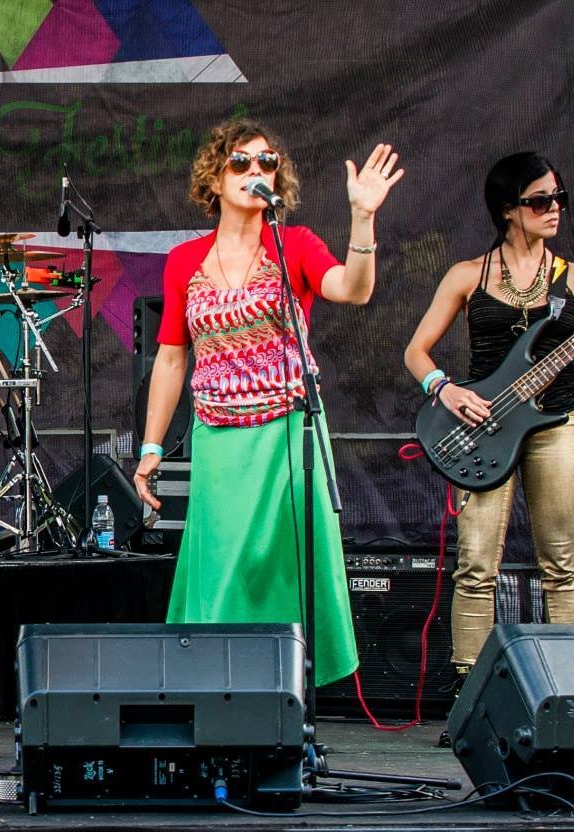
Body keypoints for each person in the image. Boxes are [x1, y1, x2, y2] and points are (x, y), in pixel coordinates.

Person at [131, 119, 402, 686]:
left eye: (267, 162)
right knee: (225, 568)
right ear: (213, 179)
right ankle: (218, 685)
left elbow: (352, 289)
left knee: (282, 571)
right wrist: (152, 445)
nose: (255, 170)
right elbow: (172, 358)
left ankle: (283, 689)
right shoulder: (184, 260)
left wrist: (363, 218)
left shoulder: (293, 243)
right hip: (219, 439)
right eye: (241, 161)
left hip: (288, 433)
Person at [402, 151, 574, 684]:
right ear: (508, 209)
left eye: (559, 197)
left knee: (561, 562)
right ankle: (470, 686)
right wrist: (445, 389)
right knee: (475, 564)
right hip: (483, 428)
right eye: (540, 200)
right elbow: (416, 351)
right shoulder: (467, 275)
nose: (554, 208)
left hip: (557, 427)